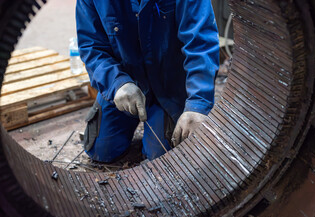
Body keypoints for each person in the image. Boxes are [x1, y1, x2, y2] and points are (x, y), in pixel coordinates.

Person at [76, 0, 219, 162]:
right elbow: (92, 47)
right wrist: (117, 84)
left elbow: (201, 44)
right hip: (124, 81)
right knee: (100, 151)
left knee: (161, 158)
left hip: (168, 87)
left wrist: (198, 103)